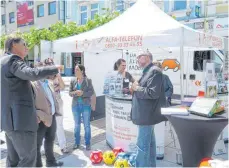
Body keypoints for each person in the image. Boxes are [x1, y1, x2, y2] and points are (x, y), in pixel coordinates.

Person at [1, 37, 60, 167]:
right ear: (14, 45)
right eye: (24, 44)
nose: (27, 47)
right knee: (28, 160)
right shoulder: (13, 60)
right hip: (21, 122)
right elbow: (31, 73)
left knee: (13, 160)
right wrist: (53, 68)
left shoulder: (2, 62)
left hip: (9, 123)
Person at [130, 50, 167, 167]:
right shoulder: (148, 71)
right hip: (146, 116)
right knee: (149, 144)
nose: (137, 59)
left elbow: (153, 93)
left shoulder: (155, 71)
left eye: (139, 56)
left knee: (142, 147)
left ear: (146, 57)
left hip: (146, 116)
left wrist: (136, 88)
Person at [31, 62, 64, 167]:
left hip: (52, 117)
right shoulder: (32, 85)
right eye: (41, 70)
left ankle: (51, 162)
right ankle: (38, 165)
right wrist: (40, 116)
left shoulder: (48, 82)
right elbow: (30, 106)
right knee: (37, 145)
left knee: (50, 141)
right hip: (40, 121)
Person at [44, 58, 69, 154]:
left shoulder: (56, 75)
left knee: (59, 125)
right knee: (46, 126)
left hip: (58, 104)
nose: (51, 65)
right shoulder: (43, 76)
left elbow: (63, 87)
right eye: (49, 63)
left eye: (52, 63)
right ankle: (44, 148)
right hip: (47, 106)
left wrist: (58, 76)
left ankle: (63, 146)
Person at [69, 65, 95, 151]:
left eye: (77, 70)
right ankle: (77, 143)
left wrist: (83, 93)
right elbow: (70, 93)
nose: (75, 71)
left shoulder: (88, 80)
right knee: (77, 125)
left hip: (85, 106)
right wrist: (76, 92)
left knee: (87, 125)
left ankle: (87, 143)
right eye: (75, 69)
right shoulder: (73, 80)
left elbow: (91, 92)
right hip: (75, 106)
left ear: (82, 71)